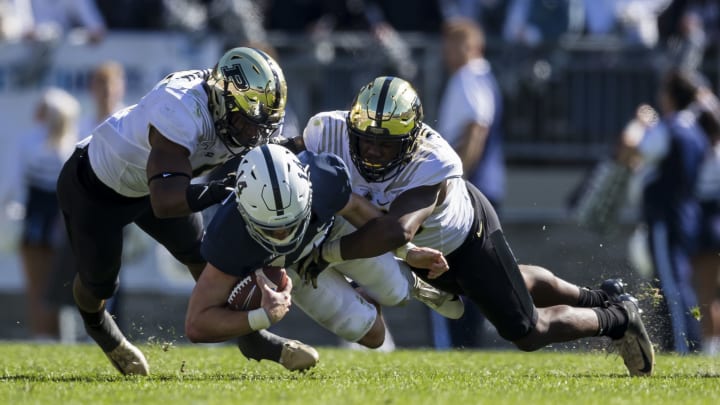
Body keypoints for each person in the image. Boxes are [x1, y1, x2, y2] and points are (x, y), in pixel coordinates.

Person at [279, 76, 656, 376]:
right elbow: (287, 156)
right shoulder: (328, 130)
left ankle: (618, 318)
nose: (374, 151)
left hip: (463, 239)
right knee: (510, 282)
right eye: (366, 141)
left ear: (410, 141)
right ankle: (601, 296)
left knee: (526, 330)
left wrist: (327, 254)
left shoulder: (432, 161)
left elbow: (397, 232)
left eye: (387, 144)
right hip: (424, 253)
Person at [55, 46, 289, 375]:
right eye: (247, 121)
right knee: (100, 284)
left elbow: (279, 149)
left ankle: (250, 338)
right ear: (222, 101)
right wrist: (230, 186)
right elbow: (165, 202)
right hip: (96, 187)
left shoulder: (233, 110)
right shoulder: (180, 108)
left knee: (203, 257)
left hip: (154, 184)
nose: (255, 133)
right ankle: (99, 328)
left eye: (262, 124)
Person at [185, 144, 457, 369]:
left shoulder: (323, 177)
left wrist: (405, 251)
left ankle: (414, 284)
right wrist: (264, 315)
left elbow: (357, 211)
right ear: (245, 213)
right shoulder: (228, 235)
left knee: (396, 292)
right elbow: (196, 324)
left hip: (332, 234)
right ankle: (362, 290)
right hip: (292, 269)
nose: (283, 235)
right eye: (272, 229)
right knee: (375, 336)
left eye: (291, 224)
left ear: (306, 192)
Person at [617, 69, 715, 354]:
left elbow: (628, 147)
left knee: (670, 284)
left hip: (666, 215)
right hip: (685, 212)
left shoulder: (671, 128)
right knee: (677, 280)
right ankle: (684, 344)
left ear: (671, 96)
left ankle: (684, 346)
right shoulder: (696, 129)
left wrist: (639, 121)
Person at [434, 18, 505, 349]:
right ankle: (466, 342)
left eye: (456, 44)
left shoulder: (469, 77)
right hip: (485, 186)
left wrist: (455, 177)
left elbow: (477, 127)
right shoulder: (481, 77)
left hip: (471, 188)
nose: (449, 52)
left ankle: (461, 343)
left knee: (459, 273)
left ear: (473, 46)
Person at [13, 87, 79, 341]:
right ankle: (56, 334)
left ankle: (46, 333)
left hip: (43, 219)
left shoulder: (30, 141)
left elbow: (14, 183)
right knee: (60, 282)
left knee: (43, 282)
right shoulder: (74, 143)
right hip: (60, 219)